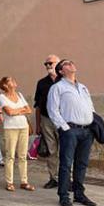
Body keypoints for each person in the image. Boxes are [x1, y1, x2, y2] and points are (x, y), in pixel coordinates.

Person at [47, 59, 97, 206]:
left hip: (87, 130)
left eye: (71, 62)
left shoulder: (82, 87)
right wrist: (64, 127)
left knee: (82, 163)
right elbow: (52, 110)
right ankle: (63, 195)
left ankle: (79, 194)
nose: (71, 64)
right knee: (66, 164)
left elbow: (90, 106)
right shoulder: (57, 88)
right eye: (67, 64)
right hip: (71, 130)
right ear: (61, 71)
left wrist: (93, 120)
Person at [0, 77, 35, 192]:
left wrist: (16, 111)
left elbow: (29, 110)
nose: (13, 81)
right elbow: (9, 112)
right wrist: (20, 110)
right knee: (10, 156)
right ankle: (9, 182)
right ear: (5, 85)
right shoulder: (2, 97)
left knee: (23, 155)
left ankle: (24, 181)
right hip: (10, 128)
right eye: (10, 80)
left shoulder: (19, 95)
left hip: (24, 126)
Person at [34, 54, 61, 189]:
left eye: (51, 63)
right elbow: (37, 105)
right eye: (46, 64)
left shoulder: (65, 81)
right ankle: (53, 178)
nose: (48, 66)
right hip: (47, 119)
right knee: (52, 150)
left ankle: (67, 178)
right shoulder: (42, 83)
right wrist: (38, 124)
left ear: (59, 64)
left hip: (63, 120)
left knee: (65, 150)